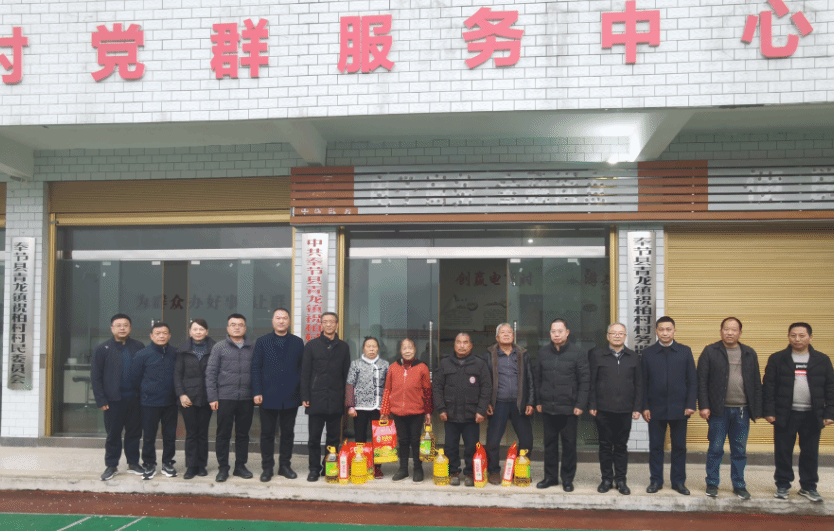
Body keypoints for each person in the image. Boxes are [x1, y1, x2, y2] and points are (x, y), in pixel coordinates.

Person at [763, 322, 834, 503]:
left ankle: (808, 487)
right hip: (785, 414)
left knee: (810, 452)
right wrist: (769, 411)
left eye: (802, 336)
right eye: (793, 335)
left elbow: (830, 388)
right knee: (783, 451)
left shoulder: (822, 360)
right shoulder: (777, 358)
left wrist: (829, 413)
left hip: (812, 414)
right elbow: (768, 387)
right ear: (788, 337)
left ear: (810, 337)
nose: (797, 339)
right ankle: (783, 485)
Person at [697, 317, 762, 500]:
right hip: (718, 411)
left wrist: (757, 409)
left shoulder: (749, 353)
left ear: (740, 332)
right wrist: (704, 406)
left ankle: (739, 485)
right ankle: (712, 483)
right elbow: (701, 381)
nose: (730, 333)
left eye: (734, 330)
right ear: (721, 331)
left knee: (739, 450)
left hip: (742, 410)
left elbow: (756, 382)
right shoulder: (710, 351)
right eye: (726, 329)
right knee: (715, 448)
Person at [642, 316, 697, 495]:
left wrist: (690, 404)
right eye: (661, 329)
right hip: (655, 408)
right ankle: (656, 481)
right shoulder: (648, 353)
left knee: (679, 447)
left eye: (668, 329)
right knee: (656, 447)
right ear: (656, 331)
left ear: (674, 331)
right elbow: (643, 383)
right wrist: (645, 406)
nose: (665, 333)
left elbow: (692, 381)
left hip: (680, 408)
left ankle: (678, 482)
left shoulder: (684, 351)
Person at [534, 318, 589, 492]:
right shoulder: (543, 353)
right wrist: (538, 401)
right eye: (553, 331)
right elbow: (537, 379)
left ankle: (567, 479)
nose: (556, 334)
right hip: (548, 407)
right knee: (549, 445)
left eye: (560, 331)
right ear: (550, 333)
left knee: (569, 445)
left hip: (569, 408)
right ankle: (550, 477)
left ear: (567, 333)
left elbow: (584, 381)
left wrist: (580, 403)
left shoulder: (578, 353)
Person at [251, 308, 305, 482]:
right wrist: (257, 391)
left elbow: (303, 370)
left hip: (291, 395)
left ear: (289, 321)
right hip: (268, 395)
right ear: (273, 321)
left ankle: (284, 466)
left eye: (284, 318)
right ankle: (267, 468)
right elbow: (255, 368)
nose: (281, 321)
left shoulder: (297, 342)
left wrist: (303, 394)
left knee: (288, 434)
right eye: (278, 318)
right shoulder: (262, 341)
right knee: (267, 434)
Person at [588, 322, 641, 495]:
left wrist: (637, 407)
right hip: (603, 409)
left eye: (621, 333)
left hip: (625, 409)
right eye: (614, 333)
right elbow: (591, 382)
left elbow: (639, 384)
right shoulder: (597, 355)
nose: (617, 336)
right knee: (605, 446)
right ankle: (606, 479)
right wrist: (592, 404)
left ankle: (621, 480)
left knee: (621, 446)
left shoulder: (633, 357)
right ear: (608, 336)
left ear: (625, 336)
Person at [90, 313, 146, 481]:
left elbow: (144, 372)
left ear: (130, 328)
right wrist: (101, 399)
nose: (122, 328)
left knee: (134, 433)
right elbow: (96, 377)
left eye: (125, 325)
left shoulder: (138, 346)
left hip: (134, 399)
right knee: (113, 434)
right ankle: (111, 465)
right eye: (118, 325)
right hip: (112, 400)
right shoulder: (102, 349)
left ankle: (133, 463)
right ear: (112, 328)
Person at [433, 332, 491, 487]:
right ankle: (454, 472)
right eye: (459, 342)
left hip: (472, 415)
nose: (462, 345)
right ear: (454, 345)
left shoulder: (479, 364)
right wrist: (441, 409)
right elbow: (437, 387)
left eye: (465, 342)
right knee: (450, 446)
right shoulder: (445, 363)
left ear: (471, 345)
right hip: (450, 414)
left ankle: (470, 473)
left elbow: (486, 388)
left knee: (471, 446)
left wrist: (481, 410)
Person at [300, 312, 351, 482]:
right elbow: (305, 373)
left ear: (337, 324)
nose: (329, 325)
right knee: (314, 438)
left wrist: (348, 400)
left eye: (332, 322)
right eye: (325, 322)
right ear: (321, 324)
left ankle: (329, 467)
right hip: (316, 398)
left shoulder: (343, 347)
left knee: (333, 438)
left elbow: (347, 375)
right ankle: (314, 469)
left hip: (336, 399)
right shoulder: (311, 345)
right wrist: (305, 395)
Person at [205, 313, 256, 482]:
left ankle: (240, 466)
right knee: (223, 434)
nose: (237, 327)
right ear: (227, 328)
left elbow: (258, 372)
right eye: (233, 324)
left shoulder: (252, 347)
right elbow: (211, 373)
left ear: (245, 328)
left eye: (240, 324)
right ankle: (223, 468)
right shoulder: (219, 347)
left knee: (243, 434)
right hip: (225, 397)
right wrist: (212, 397)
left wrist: (257, 393)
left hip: (246, 398)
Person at [482, 323, 534, 486]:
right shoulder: (489, 354)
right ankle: (494, 471)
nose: (506, 334)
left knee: (526, 440)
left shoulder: (522, 354)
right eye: (503, 332)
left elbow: (530, 379)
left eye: (509, 332)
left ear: (513, 336)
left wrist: (530, 401)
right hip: (498, 403)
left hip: (519, 403)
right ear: (497, 337)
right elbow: (484, 381)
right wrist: (486, 402)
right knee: (492, 441)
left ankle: (519, 470)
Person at [130, 322, 179, 480]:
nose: (161, 336)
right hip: (149, 402)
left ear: (169, 335)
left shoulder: (176, 353)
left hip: (171, 402)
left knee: (169, 435)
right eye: (157, 333)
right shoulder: (142, 354)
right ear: (151, 336)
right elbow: (135, 379)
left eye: (164, 333)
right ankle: (149, 463)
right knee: (149, 436)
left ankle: (167, 463)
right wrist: (146, 392)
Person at [380, 338, 432, 482]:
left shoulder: (422, 367)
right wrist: (384, 411)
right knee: (402, 441)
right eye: (404, 348)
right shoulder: (393, 367)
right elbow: (387, 390)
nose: (407, 351)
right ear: (400, 351)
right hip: (397, 411)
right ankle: (403, 469)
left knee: (415, 440)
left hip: (417, 411)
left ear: (415, 350)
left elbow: (428, 391)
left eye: (410, 348)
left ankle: (418, 468)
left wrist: (428, 412)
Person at [174, 319, 217, 480]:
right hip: (188, 398)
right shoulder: (182, 351)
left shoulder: (215, 349)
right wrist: (181, 394)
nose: (198, 332)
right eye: (195, 329)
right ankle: (191, 467)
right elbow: (177, 375)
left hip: (206, 397)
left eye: (201, 329)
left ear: (207, 331)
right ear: (190, 332)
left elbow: (218, 373)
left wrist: (214, 396)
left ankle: (202, 466)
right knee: (191, 433)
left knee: (203, 433)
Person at [346, 336, 390, 479]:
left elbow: (388, 386)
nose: (371, 349)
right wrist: (350, 406)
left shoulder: (385, 364)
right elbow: (350, 384)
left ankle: (377, 467)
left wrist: (386, 408)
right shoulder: (356, 364)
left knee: (379, 440)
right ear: (363, 348)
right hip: (360, 407)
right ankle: (361, 464)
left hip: (378, 407)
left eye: (374, 346)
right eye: (368, 346)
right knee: (360, 437)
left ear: (378, 348)